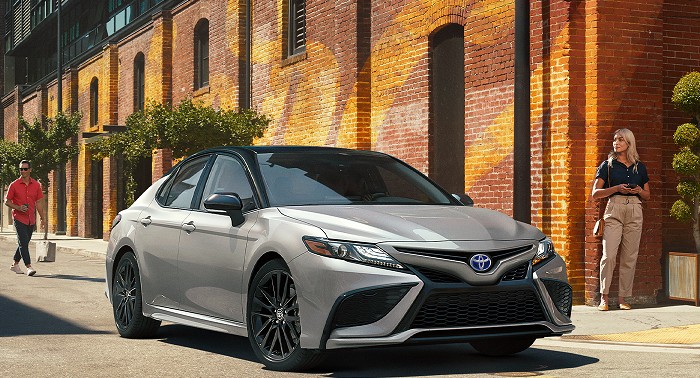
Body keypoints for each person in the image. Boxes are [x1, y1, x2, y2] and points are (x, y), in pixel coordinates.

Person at [591, 129, 650, 311]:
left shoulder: (639, 167)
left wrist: (638, 191)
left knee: (629, 257)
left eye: (621, 140)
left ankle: (623, 298)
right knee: (609, 256)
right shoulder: (607, 165)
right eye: (615, 140)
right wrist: (616, 188)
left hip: (634, 209)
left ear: (629, 143)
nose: (616, 143)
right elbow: (595, 193)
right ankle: (604, 298)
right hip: (614, 208)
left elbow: (647, 195)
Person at [5, 160, 45, 276]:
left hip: (31, 220)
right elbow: (7, 202)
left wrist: (42, 218)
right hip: (19, 218)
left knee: (24, 243)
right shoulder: (14, 185)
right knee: (23, 243)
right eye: (21, 169)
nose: (23, 171)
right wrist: (18, 207)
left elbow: (38, 203)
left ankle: (15, 264)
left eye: (25, 169)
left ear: (30, 170)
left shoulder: (36, 185)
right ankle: (29, 267)